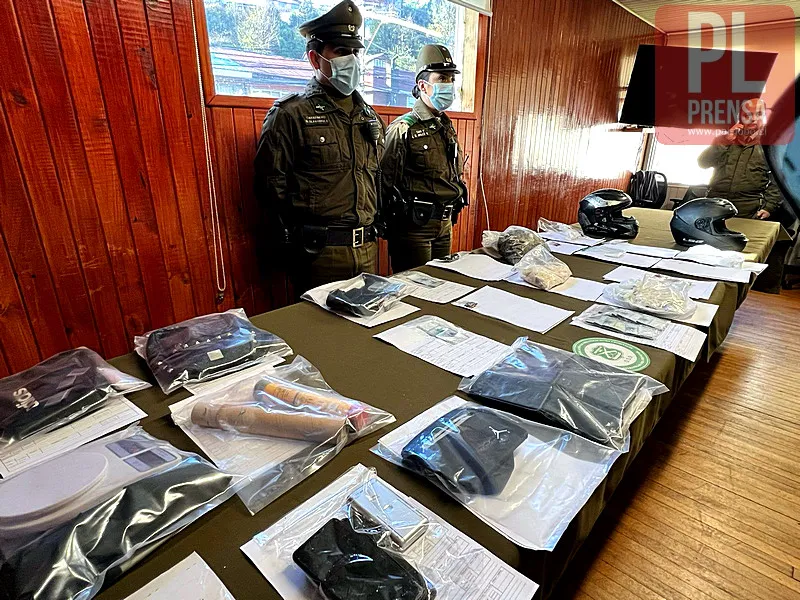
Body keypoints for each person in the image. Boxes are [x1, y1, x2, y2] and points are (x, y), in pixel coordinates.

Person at [253, 0, 384, 298]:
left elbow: (377, 180)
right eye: (341, 51)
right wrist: (297, 237)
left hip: (367, 248)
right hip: (319, 254)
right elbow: (270, 187)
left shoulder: (370, 117)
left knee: (364, 335)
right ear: (315, 59)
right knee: (324, 340)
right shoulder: (291, 114)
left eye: (355, 52)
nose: (351, 59)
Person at [381, 44, 469, 273]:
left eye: (451, 79)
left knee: (440, 287)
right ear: (423, 85)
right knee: (415, 290)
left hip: (445, 223)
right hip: (414, 227)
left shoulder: (445, 125)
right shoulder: (403, 128)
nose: (448, 85)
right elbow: (384, 182)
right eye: (442, 78)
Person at [697, 98, 784, 220]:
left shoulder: (772, 145)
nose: (753, 119)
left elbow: (779, 180)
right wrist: (724, 142)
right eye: (748, 114)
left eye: (759, 114)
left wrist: (769, 207)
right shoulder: (724, 139)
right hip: (715, 204)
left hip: (749, 208)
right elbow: (703, 163)